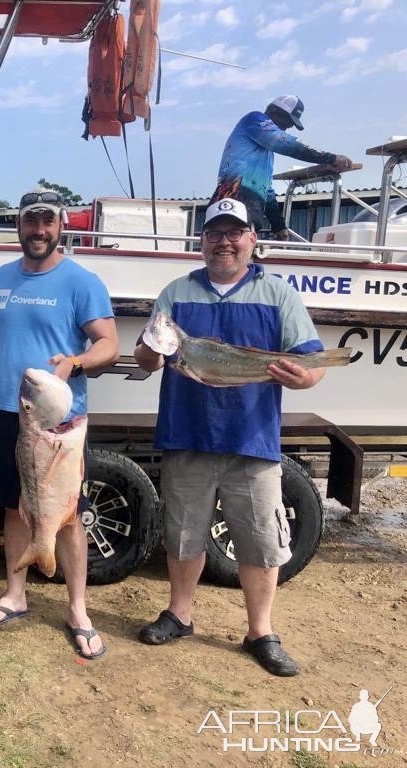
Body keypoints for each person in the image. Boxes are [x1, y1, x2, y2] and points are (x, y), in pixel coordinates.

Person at [134, 197, 328, 677]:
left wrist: (304, 379)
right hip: (187, 434)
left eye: (233, 232)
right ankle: (180, 614)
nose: (224, 242)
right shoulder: (176, 292)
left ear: (251, 240)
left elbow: (311, 361)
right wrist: (151, 354)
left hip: (253, 439)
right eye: (215, 233)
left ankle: (261, 630)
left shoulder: (278, 293)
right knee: (182, 534)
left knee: (260, 540)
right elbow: (146, 354)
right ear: (202, 242)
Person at [0, 188, 119, 659]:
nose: (38, 230)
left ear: (60, 227)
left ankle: (78, 609)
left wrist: (76, 361)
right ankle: (15, 593)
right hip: (14, 415)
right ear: (18, 226)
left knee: (67, 513)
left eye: (47, 222)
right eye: (31, 221)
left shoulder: (81, 281)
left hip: (60, 423)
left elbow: (108, 344)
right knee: (15, 507)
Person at [211, 95, 353, 239]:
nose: (289, 126)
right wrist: (330, 158)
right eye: (288, 120)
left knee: (241, 249)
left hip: (249, 209)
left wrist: (278, 225)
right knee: (229, 245)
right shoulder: (254, 119)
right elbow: (285, 142)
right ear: (274, 111)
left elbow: (267, 189)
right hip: (232, 197)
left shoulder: (266, 153)